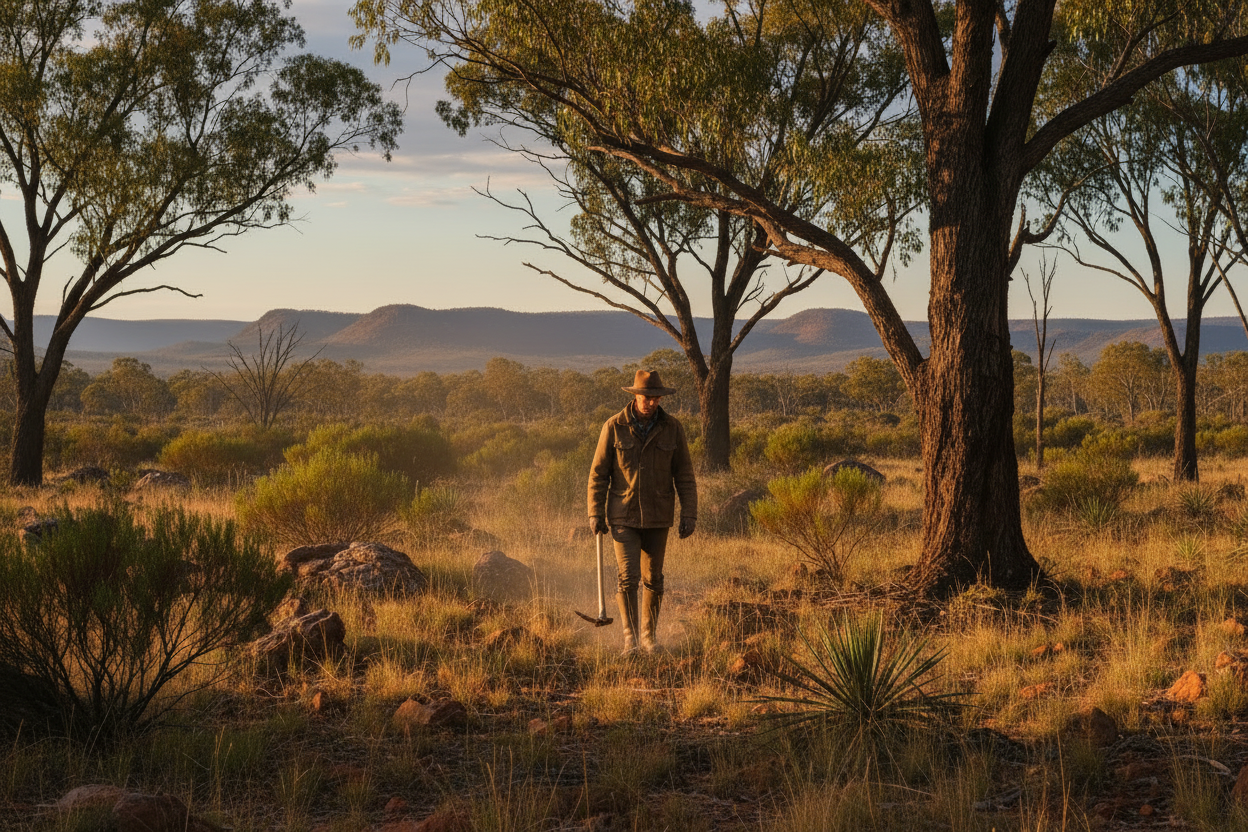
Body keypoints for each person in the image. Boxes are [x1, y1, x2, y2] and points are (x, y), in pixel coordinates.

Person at [587, 369, 697, 654]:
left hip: (659, 515)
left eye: (655, 397)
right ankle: (630, 641)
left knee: (654, 579)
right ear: (635, 396)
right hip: (623, 514)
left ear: (660, 398)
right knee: (627, 577)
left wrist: (689, 514)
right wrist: (594, 514)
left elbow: (684, 475)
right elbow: (598, 474)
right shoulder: (613, 426)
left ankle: (649, 639)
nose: (650, 402)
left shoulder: (673, 428)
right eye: (645, 397)